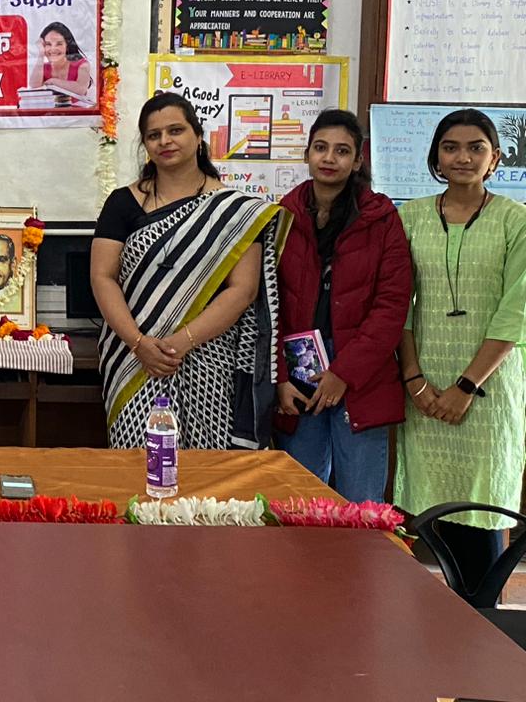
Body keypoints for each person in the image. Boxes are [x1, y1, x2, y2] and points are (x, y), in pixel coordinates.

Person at [91, 92, 288, 449]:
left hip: (209, 357)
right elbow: (103, 276)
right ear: (145, 146)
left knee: (206, 472)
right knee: (139, 463)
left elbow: (243, 290)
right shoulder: (122, 203)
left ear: (198, 136)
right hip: (134, 358)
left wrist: (180, 343)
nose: (165, 141)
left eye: (176, 130)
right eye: (154, 135)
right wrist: (139, 343)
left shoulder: (236, 212)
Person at [396, 108, 526, 593]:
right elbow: (398, 304)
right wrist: (414, 380)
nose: (463, 157)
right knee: (433, 514)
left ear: (495, 159)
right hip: (425, 388)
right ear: (436, 157)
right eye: (450, 147)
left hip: (488, 390)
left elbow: (516, 311)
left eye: (476, 148)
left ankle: (483, 618)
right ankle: (441, 624)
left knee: (484, 509)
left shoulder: (516, 220)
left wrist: (467, 387)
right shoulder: (409, 217)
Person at [273, 110, 412, 502]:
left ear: (357, 161)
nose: (329, 158)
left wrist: (343, 373)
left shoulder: (382, 219)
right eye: (321, 148)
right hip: (300, 370)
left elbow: (391, 305)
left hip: (362, 373)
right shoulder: (283, 215)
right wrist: (280, 376)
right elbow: (270, 302)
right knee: (300, 502)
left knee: (361, 503)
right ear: (307, 154)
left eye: (342, 150)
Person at [27, 21, 94, 103]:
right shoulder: (43, 67)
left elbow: (81, 89)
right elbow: (34, 86)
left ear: (67, 46)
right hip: (51, 110)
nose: (53, 49)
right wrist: (41, 54)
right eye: (48, 44)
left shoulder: (82, 65)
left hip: (76, 110)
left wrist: (53, 81)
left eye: (59, 44)